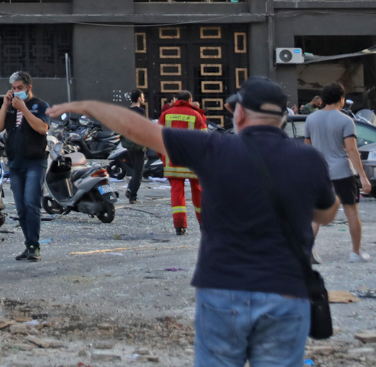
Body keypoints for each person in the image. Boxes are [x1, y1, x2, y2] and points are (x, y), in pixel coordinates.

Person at [46, 78, 339, 367]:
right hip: (286, 293)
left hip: (224, 291)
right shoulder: (308, 158)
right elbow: (326, 214)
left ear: (240, 113)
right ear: (283, 117)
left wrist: (86, 105)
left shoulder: (215, 149)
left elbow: (137, 128)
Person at [306, 82, 372, 263]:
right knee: (351, 211)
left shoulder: (311, 119)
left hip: (320, 172)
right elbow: (351, 150)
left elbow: (307, 147)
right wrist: (363, 177)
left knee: (316, 214)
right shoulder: (345, 120)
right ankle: (355, 253)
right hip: (343, 172)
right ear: (341, 99)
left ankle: (309, 249)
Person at [0, 71, 49, 262]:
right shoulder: (11, 107)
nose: (16, 92)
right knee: (21, 207)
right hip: (15, 162)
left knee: (32, 203)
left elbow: (42, 128)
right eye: (13, 89)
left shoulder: (40, 106)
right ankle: (29, 244)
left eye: (20, 88)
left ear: (29, 88)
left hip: (35, 161)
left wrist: (24, 109)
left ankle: (35, 246)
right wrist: (5, 105)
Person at [159, 90, 208, 235]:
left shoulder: (166, 114)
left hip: (172, 160)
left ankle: (180, 226)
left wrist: (162, 157)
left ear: (176, 100)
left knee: (176, 192)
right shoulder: (196, 115)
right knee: (198, 191)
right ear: (190, 99)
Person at [123, 89, 149, 205]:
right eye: (142, 97)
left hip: (128, 143)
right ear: (139, 98)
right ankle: (132, 196)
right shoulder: (141, 111)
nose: (143, 99)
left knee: (135, 168)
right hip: (138, 143)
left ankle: (129, 189)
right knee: (139, 171)